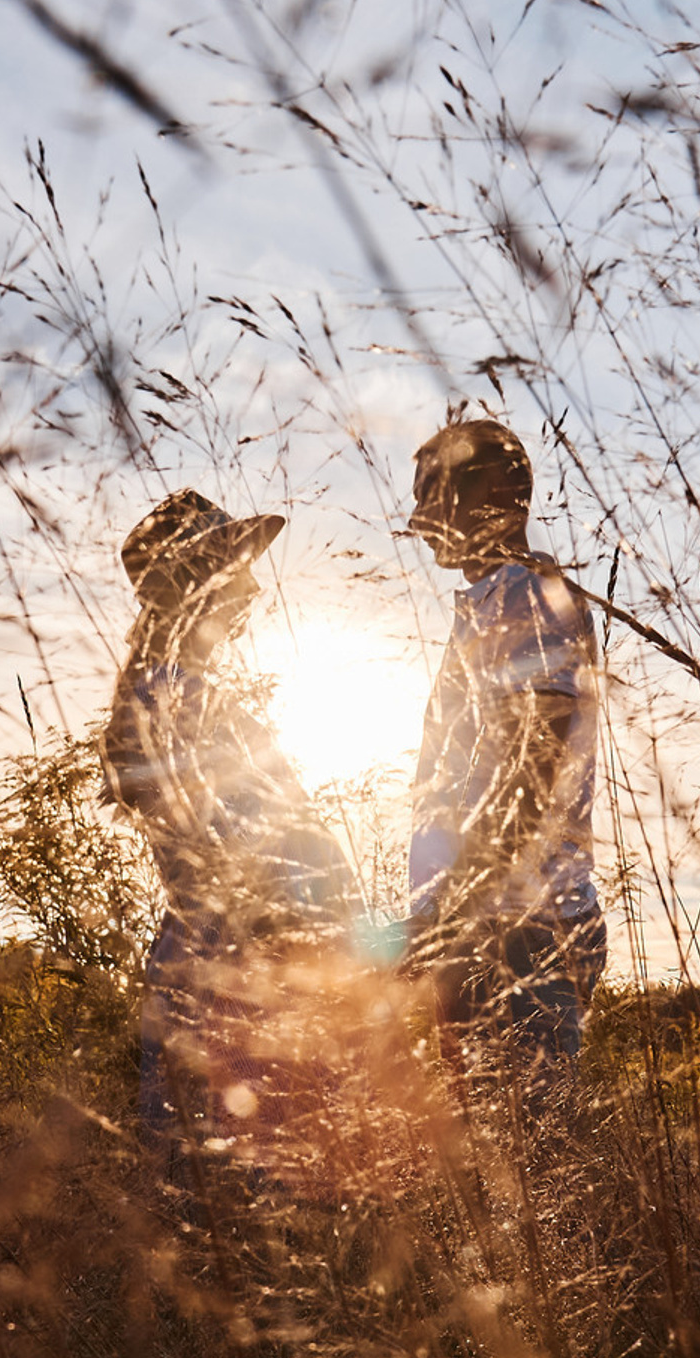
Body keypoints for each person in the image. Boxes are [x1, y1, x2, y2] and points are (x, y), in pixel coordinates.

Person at [103, 487, 350, 1180]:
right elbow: (237, 857)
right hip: (234, 981)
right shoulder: (173, 699)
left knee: (230, 1192)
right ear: (195, 584)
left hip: (232, 971)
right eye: (235, 570)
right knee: (241, 1192)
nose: (254, 589)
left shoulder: (173, 692)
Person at [400, 416, 605, 1092]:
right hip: (487, 927)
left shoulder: (528, 597)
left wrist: (450, 917)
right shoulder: (489, 603)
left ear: (487, 492)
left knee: (530, 1145)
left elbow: (533, 772)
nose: (418, 518)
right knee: (486, 1143)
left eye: (430, 495)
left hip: (522, 933)